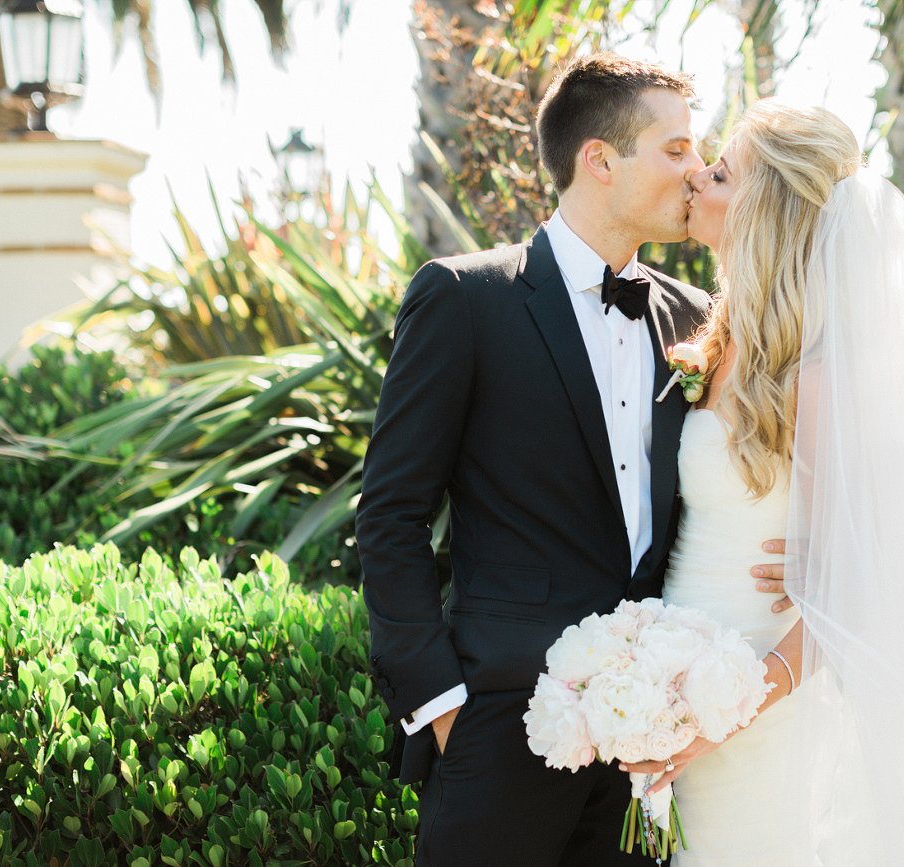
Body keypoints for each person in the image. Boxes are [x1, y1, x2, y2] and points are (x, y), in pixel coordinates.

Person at [355, 54, 788, 866]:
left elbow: (739, 478)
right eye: (675, 148)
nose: (696, 170)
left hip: (656, 740)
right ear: (598, 159)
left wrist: (810, 554)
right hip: (500, 723)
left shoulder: (699, 319)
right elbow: (389, 514)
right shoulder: (464, 298)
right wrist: (443, 702)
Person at [623, 101, 904, 866]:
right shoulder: (717, 343)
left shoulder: (815, 376)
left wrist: (724, 713)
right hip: (684, 688)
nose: (697, 177)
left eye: (720, 173)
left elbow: (853, 589)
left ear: (766, 207)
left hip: (769, 709)